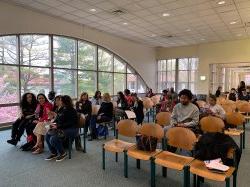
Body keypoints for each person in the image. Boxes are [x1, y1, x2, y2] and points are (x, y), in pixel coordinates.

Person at [45, 95, 78, 162]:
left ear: (64, 101)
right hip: (63, 128)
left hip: (72, 129)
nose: (59, 101)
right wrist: (53, 124)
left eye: (60, 100)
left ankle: (63, 153)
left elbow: (71, 123)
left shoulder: (71, 110)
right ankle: (54, 153)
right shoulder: (62, 109)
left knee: (53, 139)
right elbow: (59, 120)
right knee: (47, 135)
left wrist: (58, 126)